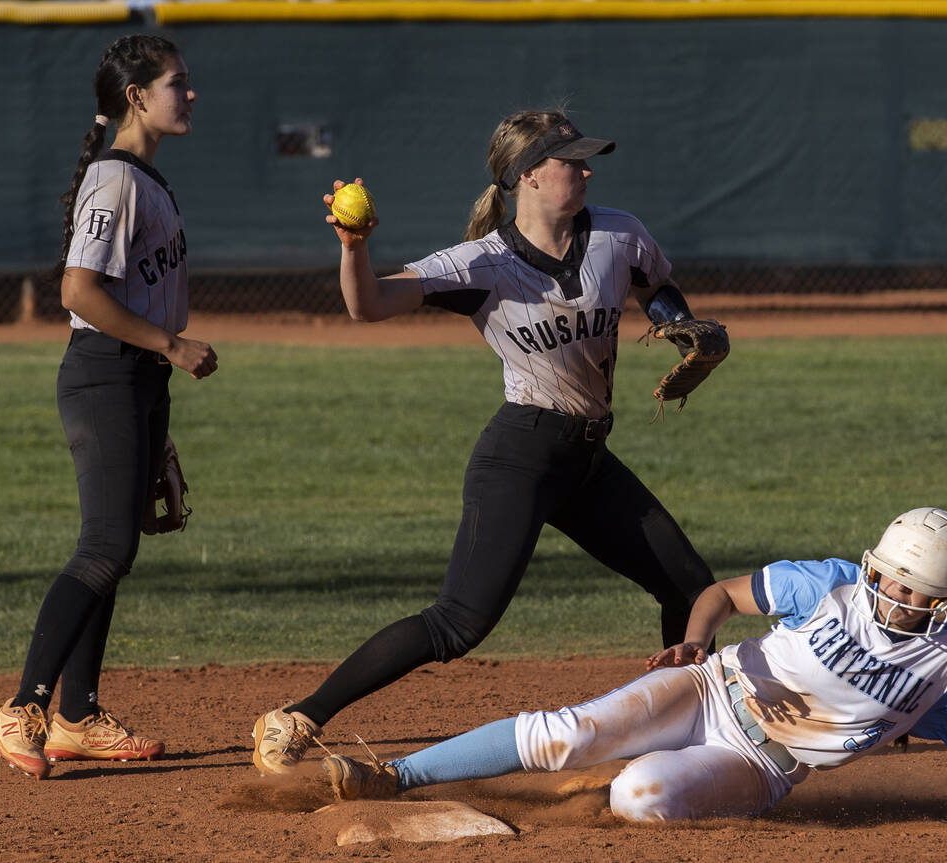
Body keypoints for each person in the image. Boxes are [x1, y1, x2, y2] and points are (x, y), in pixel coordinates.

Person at [251, 110, 719, 775]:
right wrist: (354, 246)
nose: (586, 170)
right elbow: (369, 305)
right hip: (522, 455)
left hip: (587, 460)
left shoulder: (619, 232)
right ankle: (300, 714)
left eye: (588, 160)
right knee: (457, 624)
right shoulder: (484, 263)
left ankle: (683, 737)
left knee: (692, 590)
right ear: (527, 176)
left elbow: (657, 282)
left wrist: (682, 326)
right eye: (571, 161)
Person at [318, 508, 947, 830]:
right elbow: (722, 593)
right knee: (569, 732)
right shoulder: (834, 581)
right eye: (891, 574)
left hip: (758, 761)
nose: (893, 592)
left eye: (914, 589)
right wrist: (696, 641)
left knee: (640, 796)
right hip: (711, 684)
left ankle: (605, 778)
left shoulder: (946, 662)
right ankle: (396, 774)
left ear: (946, 600)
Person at [0, 35, 218, 780]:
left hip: (136, 381)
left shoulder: (142, 178)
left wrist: (159, 399)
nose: (190, 94)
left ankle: (77, 715)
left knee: (117, 547)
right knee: (105, 547)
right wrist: (171, 345)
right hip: (105, 373)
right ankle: (23, 705)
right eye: (177, 83)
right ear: (136, 96)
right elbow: (78, 292)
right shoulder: (116, 181)